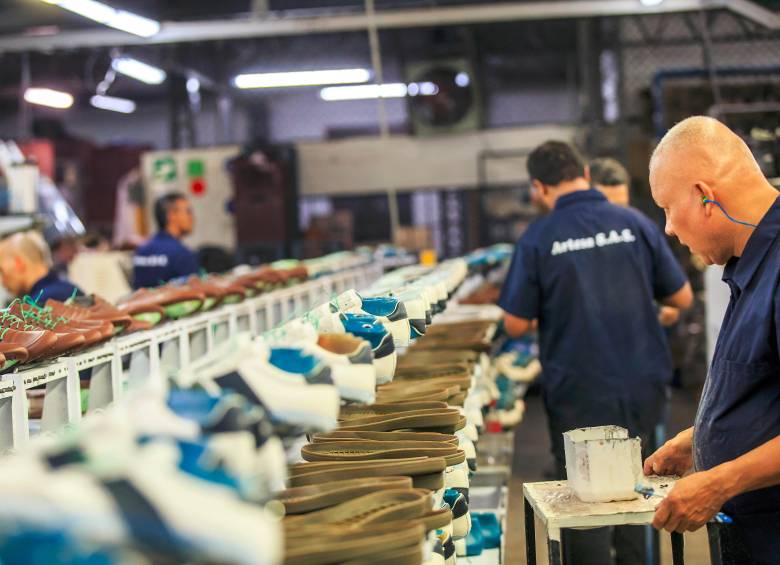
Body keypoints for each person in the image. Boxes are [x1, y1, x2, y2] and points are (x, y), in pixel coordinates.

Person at [499, 141, 692, 564]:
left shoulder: (539, 237)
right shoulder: (634, 223)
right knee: (640, 489)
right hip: (643, 383)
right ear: (584, 172)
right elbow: (681, 296)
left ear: (538, 187)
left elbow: (514, 323)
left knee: (583, 499)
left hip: (578, 388)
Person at [644, 116, 780, 563]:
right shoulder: (752, 267)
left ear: (705, 197)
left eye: (667, 208)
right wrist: (700, 437)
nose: (667, 228)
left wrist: (722, 480)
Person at [590, 157, 681, 329]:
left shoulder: (642, 234)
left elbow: (676, 301)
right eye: (608, 209)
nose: (616, 218)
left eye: (622, 208)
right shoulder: (572, 248)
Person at [133, 192, 199, 289]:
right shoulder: (182, 254)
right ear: (172, 215)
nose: (192, 218)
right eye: (188, 212)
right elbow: (195, 292)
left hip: (142, 303)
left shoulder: (141, 250)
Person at [0, 230, 83, 303]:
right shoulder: (71, 289)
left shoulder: (40, 304)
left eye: (2, 271)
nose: (2, 281)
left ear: (19, 263)